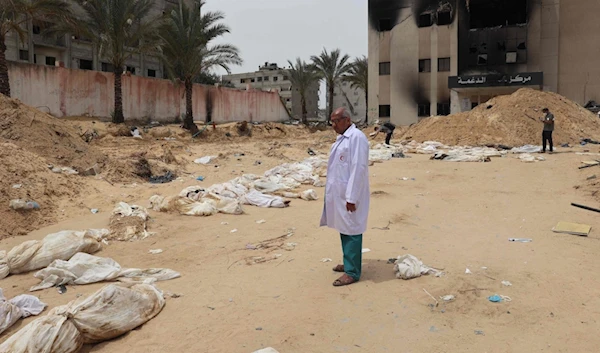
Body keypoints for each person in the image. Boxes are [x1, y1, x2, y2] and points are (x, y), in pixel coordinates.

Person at [320, 107, 370, 287]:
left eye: (336, 121)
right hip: (340, 194)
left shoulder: (357, 138)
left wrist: (352, 197)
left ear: (347, 120)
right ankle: (349, 262)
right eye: (332, 121)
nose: (333, 125)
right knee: (344, 228)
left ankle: (352, 272)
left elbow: (359, 169)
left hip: (350, 195)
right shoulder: (343, 139)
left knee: (352, 230)